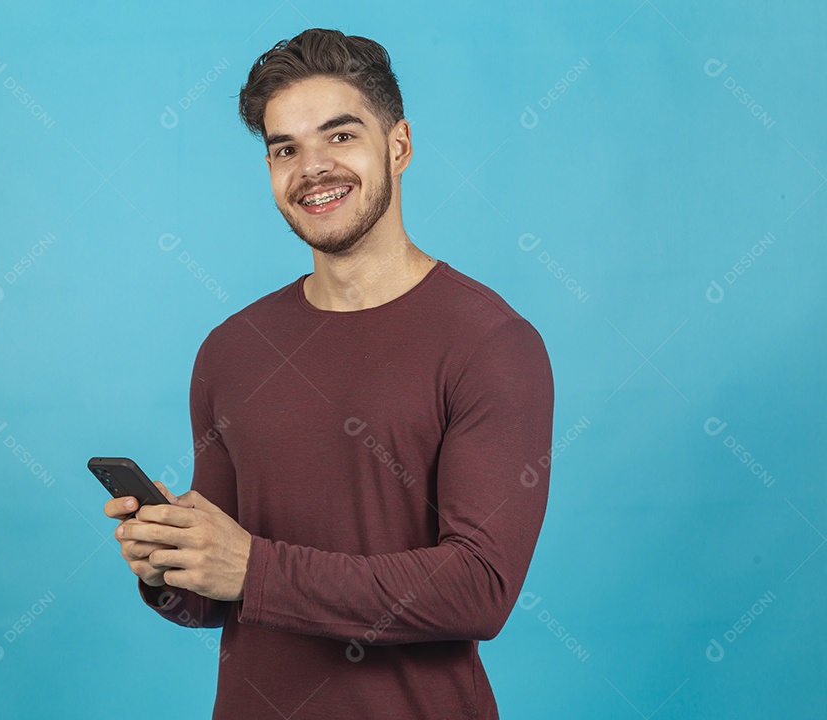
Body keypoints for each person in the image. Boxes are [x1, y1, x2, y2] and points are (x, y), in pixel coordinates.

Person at [104, 27, 555, 719]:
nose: (311, 167)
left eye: (340, 136)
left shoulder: (491, 343)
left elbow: (479, 588)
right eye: (285, 148)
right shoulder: (232, 349)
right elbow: (212, 599)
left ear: (398, 146)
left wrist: (254, 567)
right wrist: (170, 559)